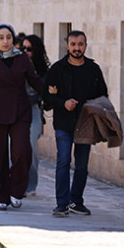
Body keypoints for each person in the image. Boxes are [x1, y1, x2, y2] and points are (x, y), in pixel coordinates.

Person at [0, 24, 45, 211]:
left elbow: (35, 80)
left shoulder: (21, 59)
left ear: (13, 40)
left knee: (23, 151)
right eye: (1, 38)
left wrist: (53, 93)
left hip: (19, 110)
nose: (5, 41)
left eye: (9, 37)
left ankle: (15, 190)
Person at [44, 30, 108, 217]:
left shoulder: (93, 69)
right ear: (67, 46)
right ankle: (61, 203)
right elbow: (46, 98)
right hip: (64, 123)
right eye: (73, 44)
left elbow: (103, 94)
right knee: (63, 161)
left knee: (81, 165)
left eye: (80, 44)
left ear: (85, 45)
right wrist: (62, 102)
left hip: (85, 124)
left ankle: (76, 201)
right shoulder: (57, 69)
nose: (77, 48)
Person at [20, 34, 50, 197]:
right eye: (23, 48)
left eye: (29, 49)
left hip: (33, 110)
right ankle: (17, 183)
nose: (25, 51)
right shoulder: (16, 65)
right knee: (15, 147)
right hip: (16, 110)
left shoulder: (42, 71)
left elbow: (43, 91)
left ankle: (31, 184)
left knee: (31, 146)